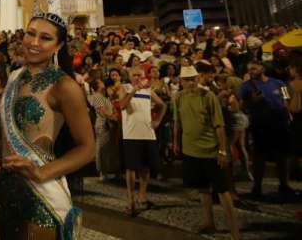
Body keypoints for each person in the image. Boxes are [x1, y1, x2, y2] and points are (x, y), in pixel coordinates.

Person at [0, 5, 95, 240]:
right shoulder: (14, 77)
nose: (34, 42)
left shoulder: (64, 86)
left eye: (45, 38)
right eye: (31, 33)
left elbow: (87, 148)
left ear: (58, 46)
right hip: (5, 190)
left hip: (42, 195)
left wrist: (41, 172)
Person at [173, 66, 239, 239]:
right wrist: (175, 142)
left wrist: (222, 150)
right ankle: (209, 223)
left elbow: (219, 125)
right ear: (181, 82)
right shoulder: (178, 97)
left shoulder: (208, 96)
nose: (191, 82)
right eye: (187, 80)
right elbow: (177, 122)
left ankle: (234, 232)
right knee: (202, 188)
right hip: (191, 151)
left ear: (198, 78)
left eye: (193, 78)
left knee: (223, 191)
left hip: (210, 150)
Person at [240, 60, 295, 200]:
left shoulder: (278, 83)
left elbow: (286, 98)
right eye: (249, 69)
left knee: (282, 155)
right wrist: (252, 101)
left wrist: (286, 112)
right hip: (260, 124)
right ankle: (257, 187)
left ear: (262, 68)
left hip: (279, 123)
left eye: (254, 68)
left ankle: (284, 185)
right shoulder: (246, 86)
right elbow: (241, 106)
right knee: (259, 157)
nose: (251, 71)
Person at [118, 67, 166, 216]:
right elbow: (122, 105)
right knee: (131, 168)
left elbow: (163, 105)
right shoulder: (124, 88)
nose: (137, 77)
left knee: (145, 168)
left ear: (144, 75)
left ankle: (142, 197)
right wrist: (133, 90)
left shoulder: (148, 90)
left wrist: (157, 120)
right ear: (130, 76)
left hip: (148, 133)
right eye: (134, 74)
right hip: (131, 134)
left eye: (139, 74)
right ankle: (131, 201)